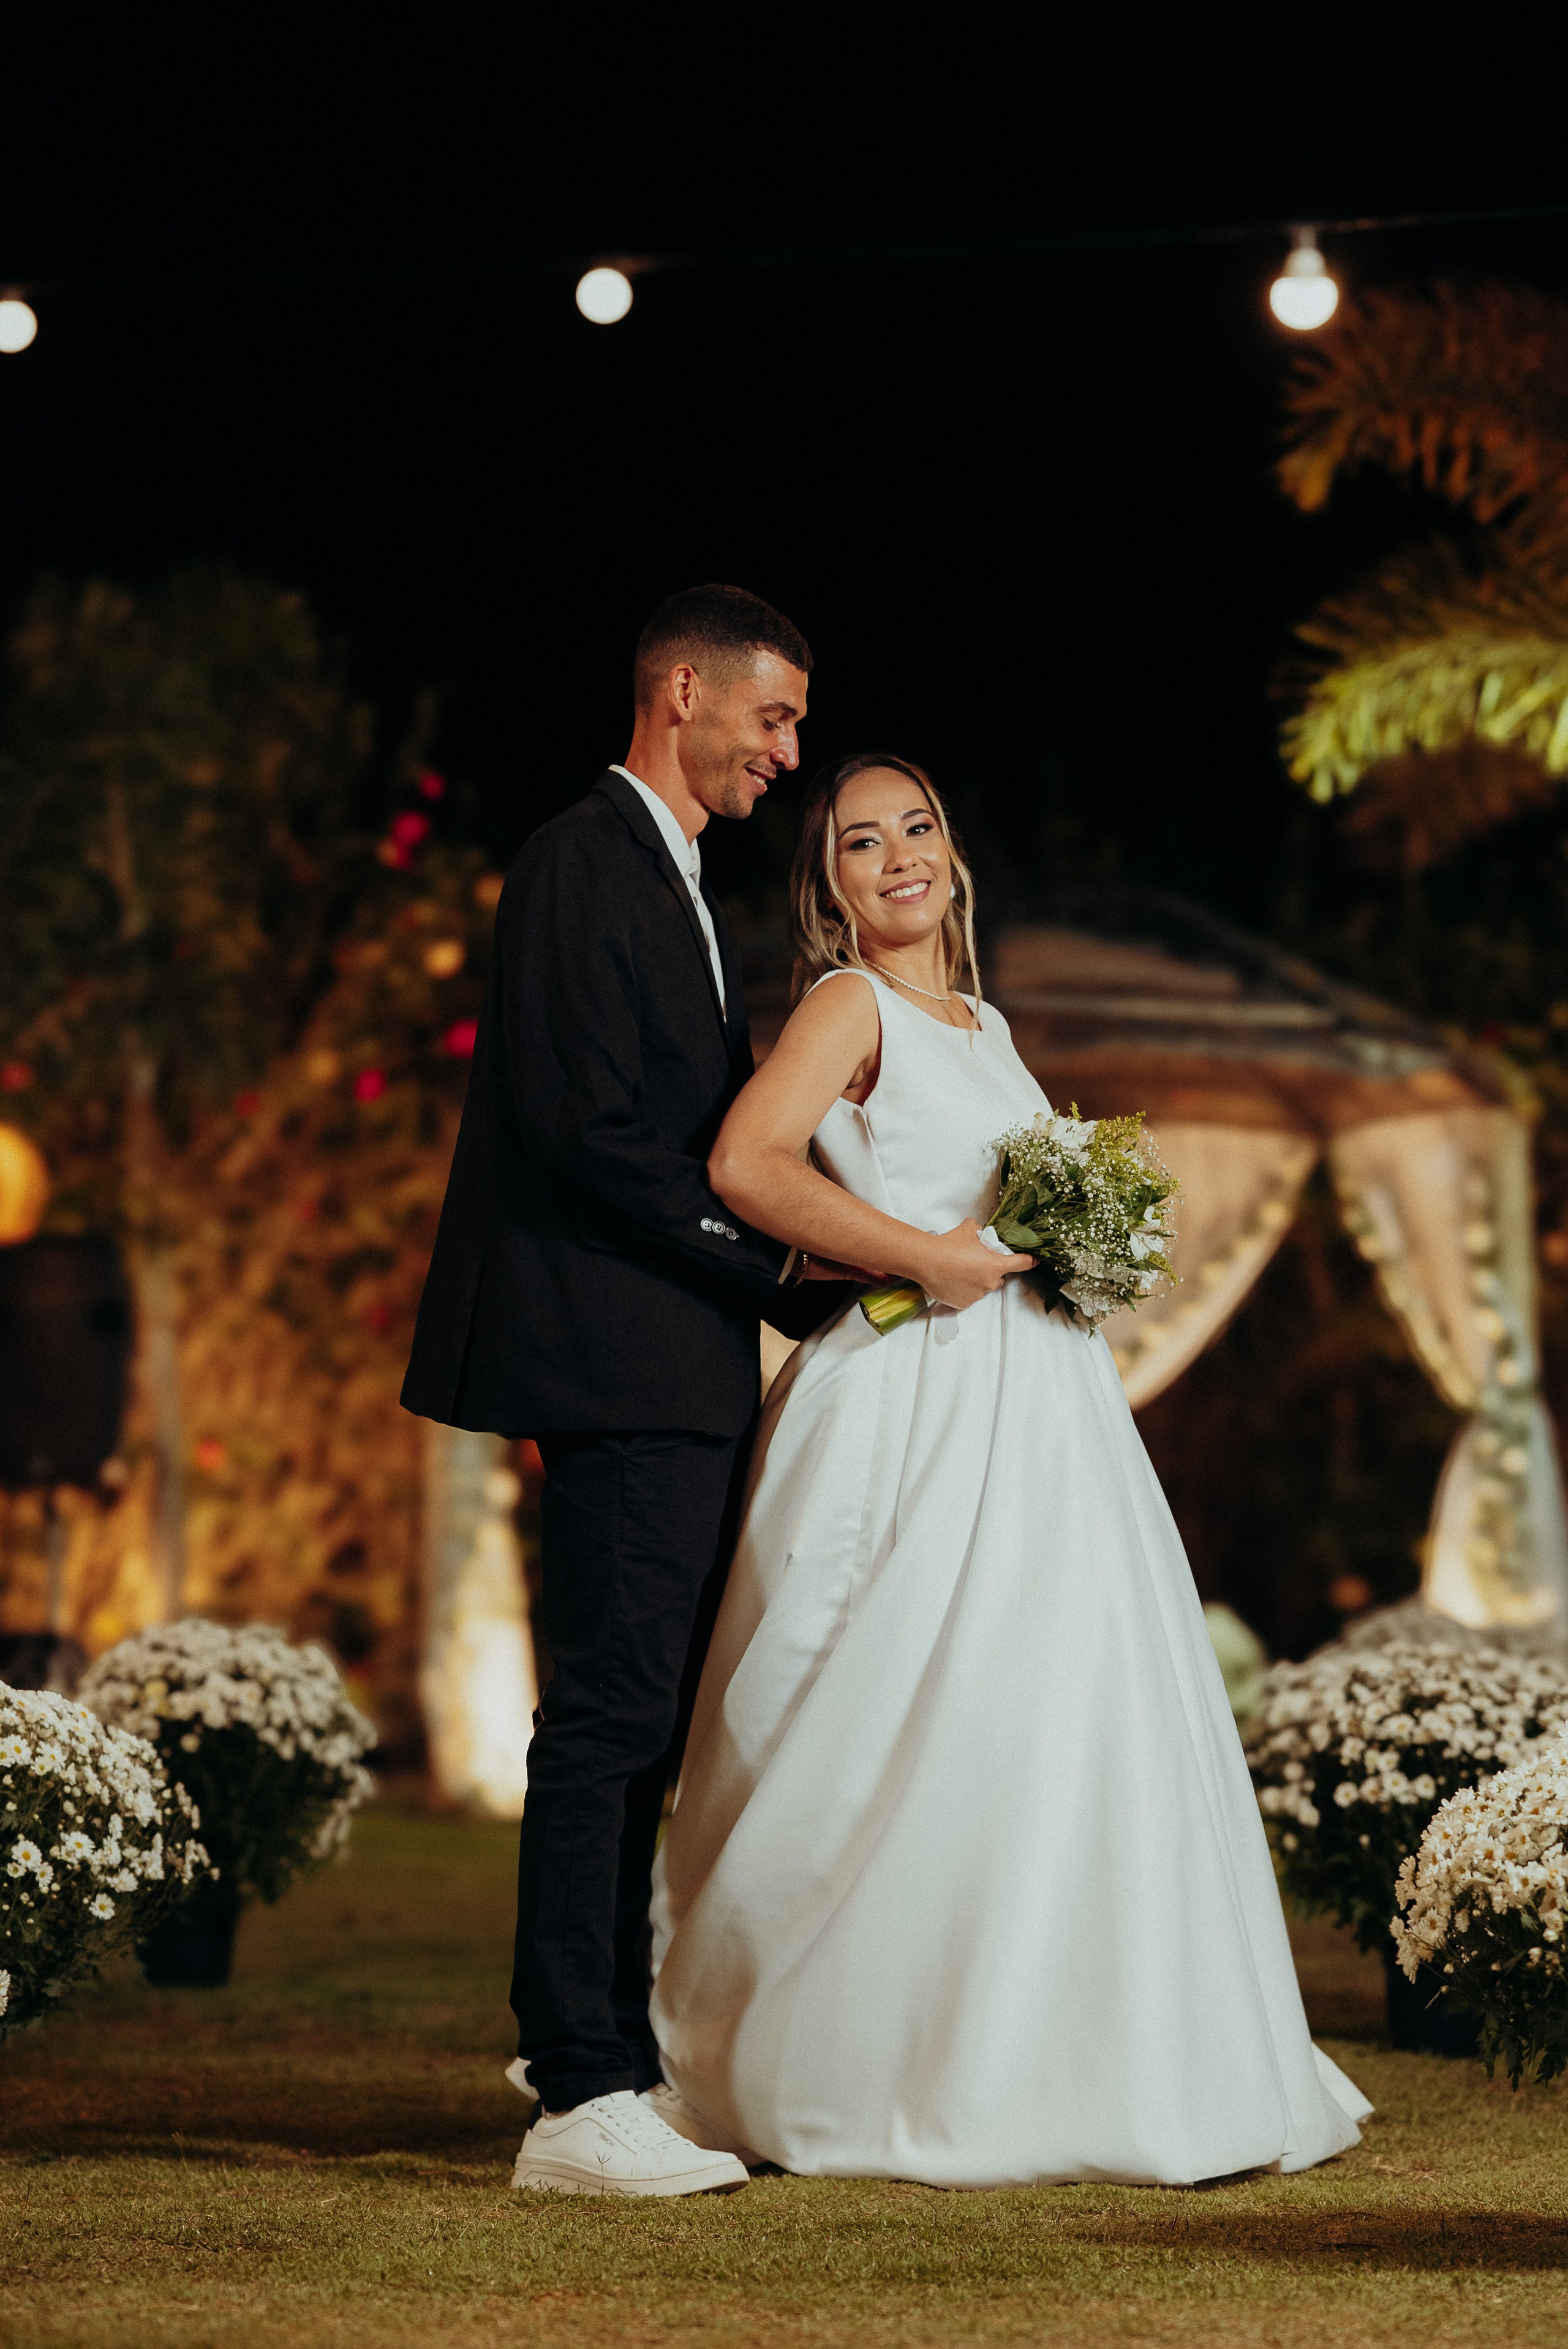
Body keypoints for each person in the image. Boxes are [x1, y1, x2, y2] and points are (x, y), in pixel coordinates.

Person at [647, 750, 1372, 2187]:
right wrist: (924, 1254)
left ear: (953, 854)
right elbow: (745, 1162)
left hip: (1043, 1408)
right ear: (829, 885)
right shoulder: (846, 1005)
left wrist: (1088, 1249)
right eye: (861, 841)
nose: (897, 855)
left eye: (916, 827)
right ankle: (844, 2048)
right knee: (887, 1708)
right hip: (915, 1391)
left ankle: (1073, 2044)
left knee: (1055, 1711)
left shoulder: (980, 1019)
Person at [402, 586, 848, 2198]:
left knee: (636, 1716)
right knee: (605, 1716)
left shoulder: (678, 880)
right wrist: (774, 1263)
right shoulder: (583, 859)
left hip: (667, 1358)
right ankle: (576, 2090)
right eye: (774, 717)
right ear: (682, 690)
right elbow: (589, 1134)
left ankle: (599, 2052)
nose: (786, 755)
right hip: (617, 1357)